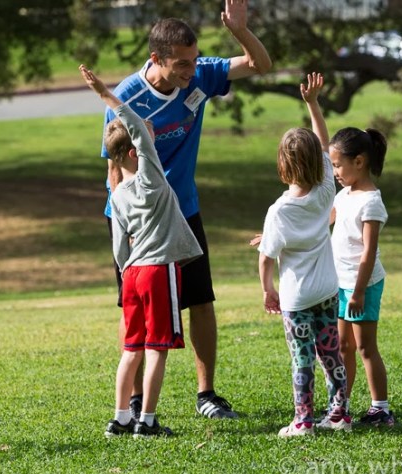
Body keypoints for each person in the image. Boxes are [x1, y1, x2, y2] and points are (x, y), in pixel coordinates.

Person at [101, 0, 272, 420]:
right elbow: (114, 170)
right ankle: (135, 402)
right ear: (156, 58)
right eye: (181, 63)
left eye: (194, 60)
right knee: (135, 307)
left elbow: (260, 65)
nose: (191, 70)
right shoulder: (127, 98)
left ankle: (206, 394)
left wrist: (240, 31)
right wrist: (128, 225)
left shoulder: (201, 74)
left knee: (201, 299)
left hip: (183, 211)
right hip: (139, 220)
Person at [81, 64, 203, 438]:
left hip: (132, 274)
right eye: (149, 136)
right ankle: (147, 421)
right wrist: (107, 95)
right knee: (156, 349)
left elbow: (120, 245)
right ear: (137, 151)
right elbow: (135, 125)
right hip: (158, 271)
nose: (154, 137)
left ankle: (120, 418)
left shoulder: (118, 195)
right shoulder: (151, 176)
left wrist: (126, 269)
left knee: (131, 349)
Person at [258, 73, 350, 437]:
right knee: (331, 353)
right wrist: (313, 103)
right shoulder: (327, 189)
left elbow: (267, 258)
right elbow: (324, 143)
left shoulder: (279, 211)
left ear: (282, 164)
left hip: (296, 299)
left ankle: (304, 421)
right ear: (319, 161)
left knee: (302, 358)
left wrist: (267, 289)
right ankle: (339, 414)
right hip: (328, 290)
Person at [327, 125, 396, 428]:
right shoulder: (343, 195)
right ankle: (340, 405)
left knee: (366, 347)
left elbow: (368, 253)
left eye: (337, 165)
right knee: (343, 347)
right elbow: (318, 224)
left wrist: (358, 293)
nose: (335, 172)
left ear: (359, 161)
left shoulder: (371, 202)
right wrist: (276, 236)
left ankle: (381, 409)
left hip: (363, 285)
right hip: (342, 283)